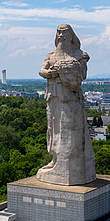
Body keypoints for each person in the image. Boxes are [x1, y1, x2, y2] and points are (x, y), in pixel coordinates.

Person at [36, 24, 96, 185]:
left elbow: (82, 75)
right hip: (53, 95)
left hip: (70, 97)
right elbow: (42, 70)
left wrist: (66, 72)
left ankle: (68, 164)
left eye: (64, 32)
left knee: (69, 130)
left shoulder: (79, 54)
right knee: (53, 128)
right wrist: (50, 73)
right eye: (58, 32)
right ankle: (55, 159)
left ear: (71, 35)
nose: (61, 34)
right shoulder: (51, 54)